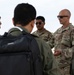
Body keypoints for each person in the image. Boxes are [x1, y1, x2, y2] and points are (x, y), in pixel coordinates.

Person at [7, 3, 61, 75]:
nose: (38, 25)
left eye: (40, 23)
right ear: (33, 23)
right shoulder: (40, 44)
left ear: (13, 21)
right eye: (36, 23)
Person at [53, 9, 74, 75]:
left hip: (67, 68)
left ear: (68, 17)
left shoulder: (72, 30)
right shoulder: (57, 31)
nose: (59, 18)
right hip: (56, 66)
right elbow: (50, 43)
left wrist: (62, 52)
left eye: (61, 17)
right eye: (58, 17)